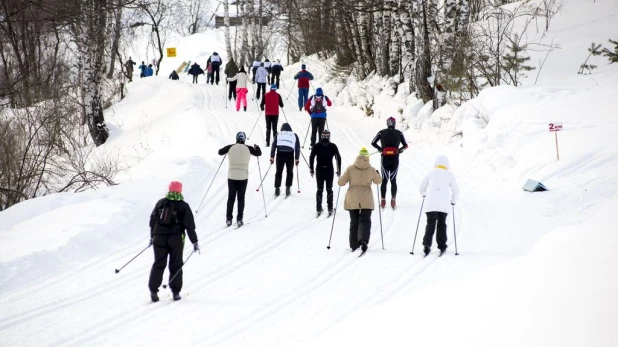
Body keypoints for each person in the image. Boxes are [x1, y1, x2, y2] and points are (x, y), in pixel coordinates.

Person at [148, 181, 199, 302]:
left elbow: (152, 221)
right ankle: (175, 292)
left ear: (169, 190)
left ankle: (153, 291)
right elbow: (190, 225)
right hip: (175, 238)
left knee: (159, 263)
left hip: (159, 237)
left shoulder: (160, 203)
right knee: (176, 264)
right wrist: (194, 241)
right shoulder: (184, 206)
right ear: (180, 191)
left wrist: (152, 236)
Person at [337, 148, 382, 252]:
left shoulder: (350, 168)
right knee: (365, 221)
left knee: (354, 222)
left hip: (352, 198)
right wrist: (378, 174)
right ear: (367, 158)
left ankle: (353, 245)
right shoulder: (371, 169)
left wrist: (340, 179)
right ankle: (364, 240)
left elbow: (341, 183)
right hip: (366, 198)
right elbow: (378, 181)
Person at [218, 132, 262, 227]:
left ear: (236, 138)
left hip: (232, 176)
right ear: (244, 139)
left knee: (231, 197)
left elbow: (220, 152)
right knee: (241, 198)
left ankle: (228, 219)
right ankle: (239, 219)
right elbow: (259, 153)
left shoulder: (231, 147)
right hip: (243, 177)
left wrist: (228, 150)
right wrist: (257, 147)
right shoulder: (248, 148)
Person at [418, 155, 460, 255]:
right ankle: (442, 246)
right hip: (443, 205)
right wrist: (453, 200)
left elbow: (421, 187)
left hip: (431, 204)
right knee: (442, 225)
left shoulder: (431, 173)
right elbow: (456, 190)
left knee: (430, 224)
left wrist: (424, 194)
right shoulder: (449, 175)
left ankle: (427, 245)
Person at [371, 117, 409, 209]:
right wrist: (399, 151)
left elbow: (373, 142)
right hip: (395, 159)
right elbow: (406, 146)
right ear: (395, 123)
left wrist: (380, 149)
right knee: (393, 180)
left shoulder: (381, 132)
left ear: (387, 123)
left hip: (385, 158)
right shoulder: (399, 133)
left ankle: (383, 201)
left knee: (384, 180)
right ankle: (393, 200)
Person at [309, 130, 341, 217]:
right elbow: (338, 158)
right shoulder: (333, 146)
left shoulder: (316, 146)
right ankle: (330, 208)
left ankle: (318, 209)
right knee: (329, 189)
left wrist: (311, 169)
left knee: (320, 189)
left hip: (319, 170)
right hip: (329, 170)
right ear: (329, 137)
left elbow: (311, 157)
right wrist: (339, 171)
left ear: (322, 136)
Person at [270, 123, 300, 197]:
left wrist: (272, 157)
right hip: (290, 154)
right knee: (290, 172)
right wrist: (297, 158)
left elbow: (273, 145)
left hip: (280, 154)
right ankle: (288, 187)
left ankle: (277, 188)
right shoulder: (294, 135)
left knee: (278, 171)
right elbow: (297, 147)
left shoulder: (278, 134)